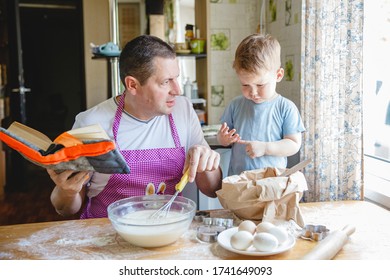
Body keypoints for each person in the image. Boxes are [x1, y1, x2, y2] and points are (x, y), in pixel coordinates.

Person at [47, 35, 222, 218]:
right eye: (165, 82)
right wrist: (66, 191)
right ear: (132, 85)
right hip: (107, 235)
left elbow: (212, 189)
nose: (177, 90)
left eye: (176, 78)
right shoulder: (91, 124)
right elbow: (66, 209)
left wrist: (208, 164)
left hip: (167, 230)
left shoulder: (183, 110)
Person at [217, 33, 305, 176]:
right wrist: (224, 139)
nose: (253, 92)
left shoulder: (286, 108)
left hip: (272, 183)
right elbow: (221, 138)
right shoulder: (235, 105)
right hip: (239, 182)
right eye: (245, 85)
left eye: (260, 84)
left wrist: (265, 148)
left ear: (278, 75)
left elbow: (294, 144)